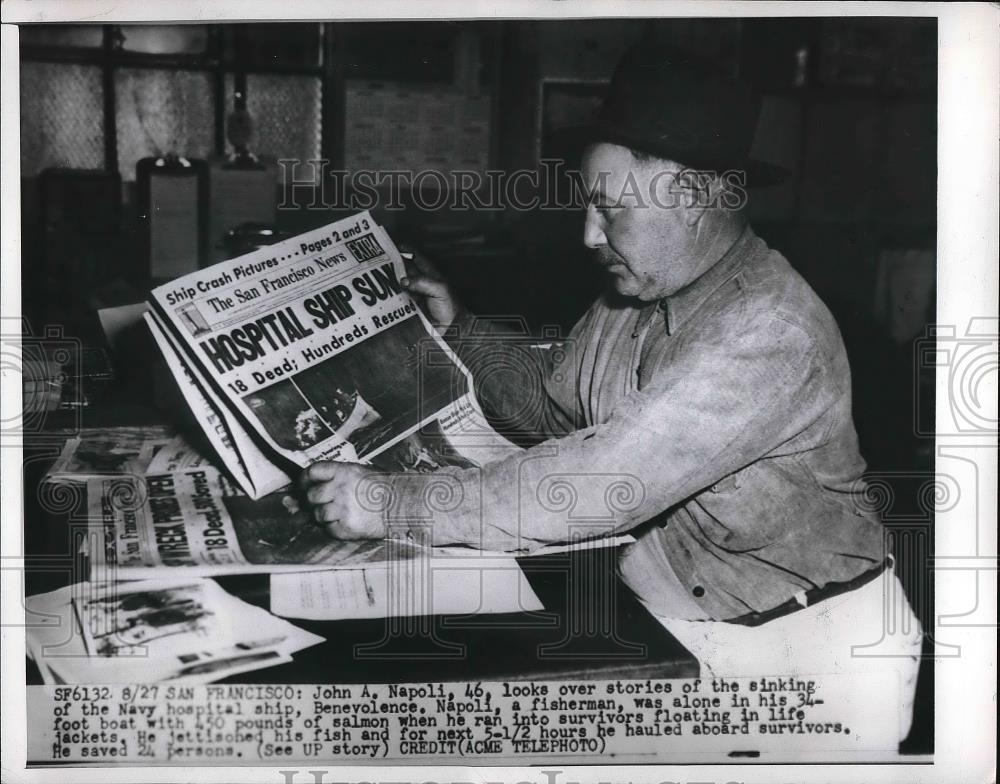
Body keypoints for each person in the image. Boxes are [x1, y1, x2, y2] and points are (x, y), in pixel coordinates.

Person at [301, 47, 922, 745]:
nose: (588, 234)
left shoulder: (768, 331)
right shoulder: (634, 295)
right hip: (678, 628)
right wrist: (463, 331)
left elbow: (603, 482)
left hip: (806, 656)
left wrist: (388, 502)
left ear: (692, 199)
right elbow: (554, 413)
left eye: (610, 210)